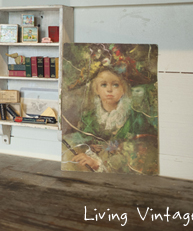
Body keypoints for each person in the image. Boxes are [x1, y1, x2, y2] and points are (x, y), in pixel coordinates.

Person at [62, 44, 158, 175]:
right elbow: (82, 144)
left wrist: (99, 162)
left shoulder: (136, 119)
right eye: (103, 85)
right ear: (96, 89)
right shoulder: (87, 118)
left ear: (124, 89)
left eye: (115, 85)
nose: (109, 90)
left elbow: (142, 154)